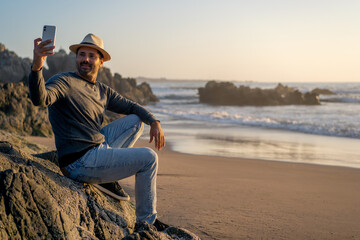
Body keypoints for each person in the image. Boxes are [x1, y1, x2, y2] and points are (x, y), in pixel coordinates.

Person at [28, 33, 169, 231]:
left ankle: (107, 178)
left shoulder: (103, 91)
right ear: (77, 58)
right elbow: (40, 98)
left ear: (101, 62)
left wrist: (154, 121)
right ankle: (147, 222)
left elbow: (131, 106)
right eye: (82, 54)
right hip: (80, 161)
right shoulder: (64, 81)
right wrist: (37, 66)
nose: (85, 59)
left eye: (91, 56)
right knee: (149, 158)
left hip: (98, 149)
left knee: (136, 121)